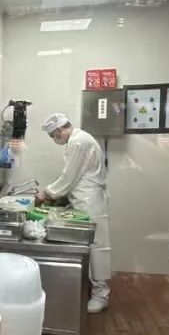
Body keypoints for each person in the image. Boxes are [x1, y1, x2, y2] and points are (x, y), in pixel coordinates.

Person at [36, 113, 112, 314]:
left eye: (53, 135)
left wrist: (46, 193)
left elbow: (69, 176)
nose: (54, 140)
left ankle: (101, 294)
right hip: (83, 199)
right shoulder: (78, 140)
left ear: (59, 129)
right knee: (88, 246)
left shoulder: (78, 142)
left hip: (89, 202)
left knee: (96, 247)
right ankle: (91, 289)